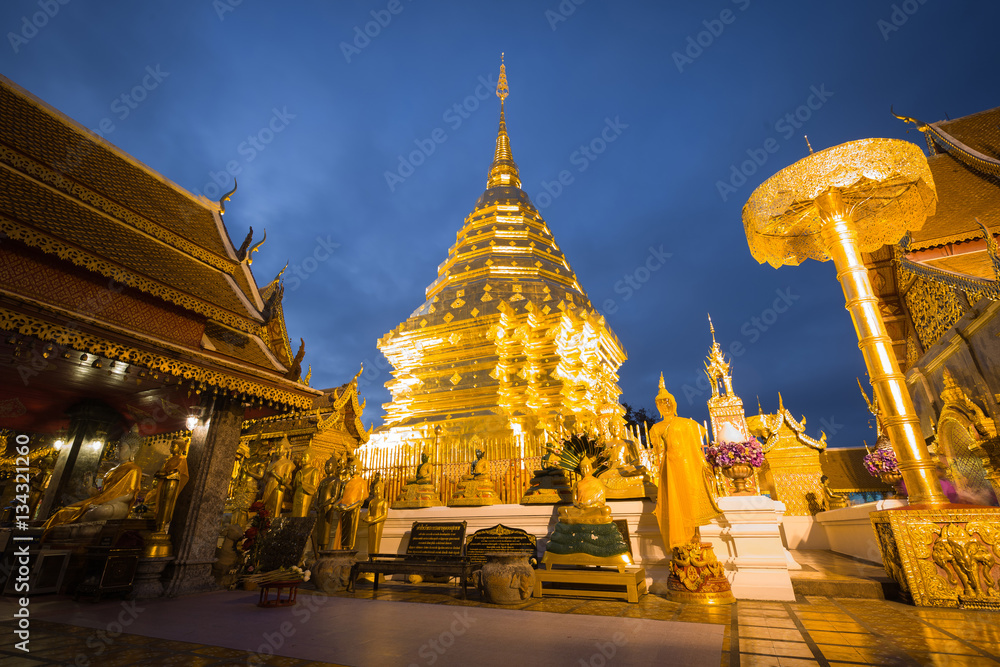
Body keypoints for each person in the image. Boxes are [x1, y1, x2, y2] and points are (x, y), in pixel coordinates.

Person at [651, 373, 722, 551]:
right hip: (670, 468)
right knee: (674, 501)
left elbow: (697, 442)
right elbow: (657, 452)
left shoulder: (686, 424)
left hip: (687, 466)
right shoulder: (656, 428)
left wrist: (702, 463)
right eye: (661, 403)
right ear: (657, 406)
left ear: (674, 404)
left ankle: (694, 536)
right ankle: (679, 540)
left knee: (689, 498)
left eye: (668, 402)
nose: (665, 405)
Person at [42, 443, 143, 532]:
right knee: (67, 510)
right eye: (116, 447)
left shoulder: (133, 469)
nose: (116, 450)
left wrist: (103, 503)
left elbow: (128, 495)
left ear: (133, 450)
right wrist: (89, 487)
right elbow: (103, 494)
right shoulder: (111, 470)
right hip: (102, 503)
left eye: (121, 447)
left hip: (117, 504)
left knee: (101, 511)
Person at [146, 436, 190, 533]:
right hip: (164, 483)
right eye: (171, 446)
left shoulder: (182, 459)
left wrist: (163, 474)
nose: (171, 448)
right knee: (159, 502)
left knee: (166, 504)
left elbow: (176, 473)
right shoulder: (169, 459)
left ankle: (162, 526)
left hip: (171, 485)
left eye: (173, 446)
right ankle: (158, 525)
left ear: (181, 448)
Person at [260, 440, 295, 518]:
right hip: (269, 486)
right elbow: (265, 479)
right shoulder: (272, 463)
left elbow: (285, 481)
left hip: (278, 487)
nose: (278, 451)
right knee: (266, 509)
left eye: (280, 449)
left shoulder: (288, 463)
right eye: (277, 449)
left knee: (274, 510)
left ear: (285, 450)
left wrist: (274, 474)